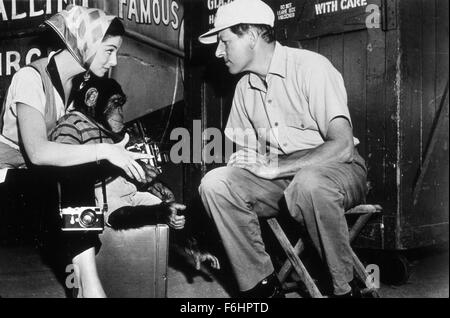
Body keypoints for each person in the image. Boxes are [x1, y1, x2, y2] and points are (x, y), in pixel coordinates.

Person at [198, 0, 367, 298]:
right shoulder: (243, 89)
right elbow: (248, 160)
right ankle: (262, 289)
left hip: (337, 172)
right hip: (282, 179)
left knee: (309, 183)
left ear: (251, 35)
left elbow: (342, 147)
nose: (218, 52)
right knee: (216, 184)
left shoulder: (311, 67)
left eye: (224, 41)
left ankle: (345, 290)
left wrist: (273, 166)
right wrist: (245, 165)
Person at [0, 5, 151, 298]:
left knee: (79, 167)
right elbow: (39, 152)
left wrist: (119, 150)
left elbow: (76, 147)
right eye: (108, 50)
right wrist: (103, 152)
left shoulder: (77, 86)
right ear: (84, 43)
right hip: (7, 183)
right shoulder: (31, 78)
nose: (113, 60)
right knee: (80, 164)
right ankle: (89, 287)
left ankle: (86, 283)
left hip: (35, 183)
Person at [50, 76, 220, 272]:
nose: (120, 113)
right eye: (115, 104)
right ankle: (161, 215)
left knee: (172, 211)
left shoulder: (107, 129)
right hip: (99, 197)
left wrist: (153, 183)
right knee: (133, 214)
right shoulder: (71, 123)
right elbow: (63, 166)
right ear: (91, 97)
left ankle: (192, 248)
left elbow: (123, 168)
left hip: (128, 190)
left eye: (121, 105)